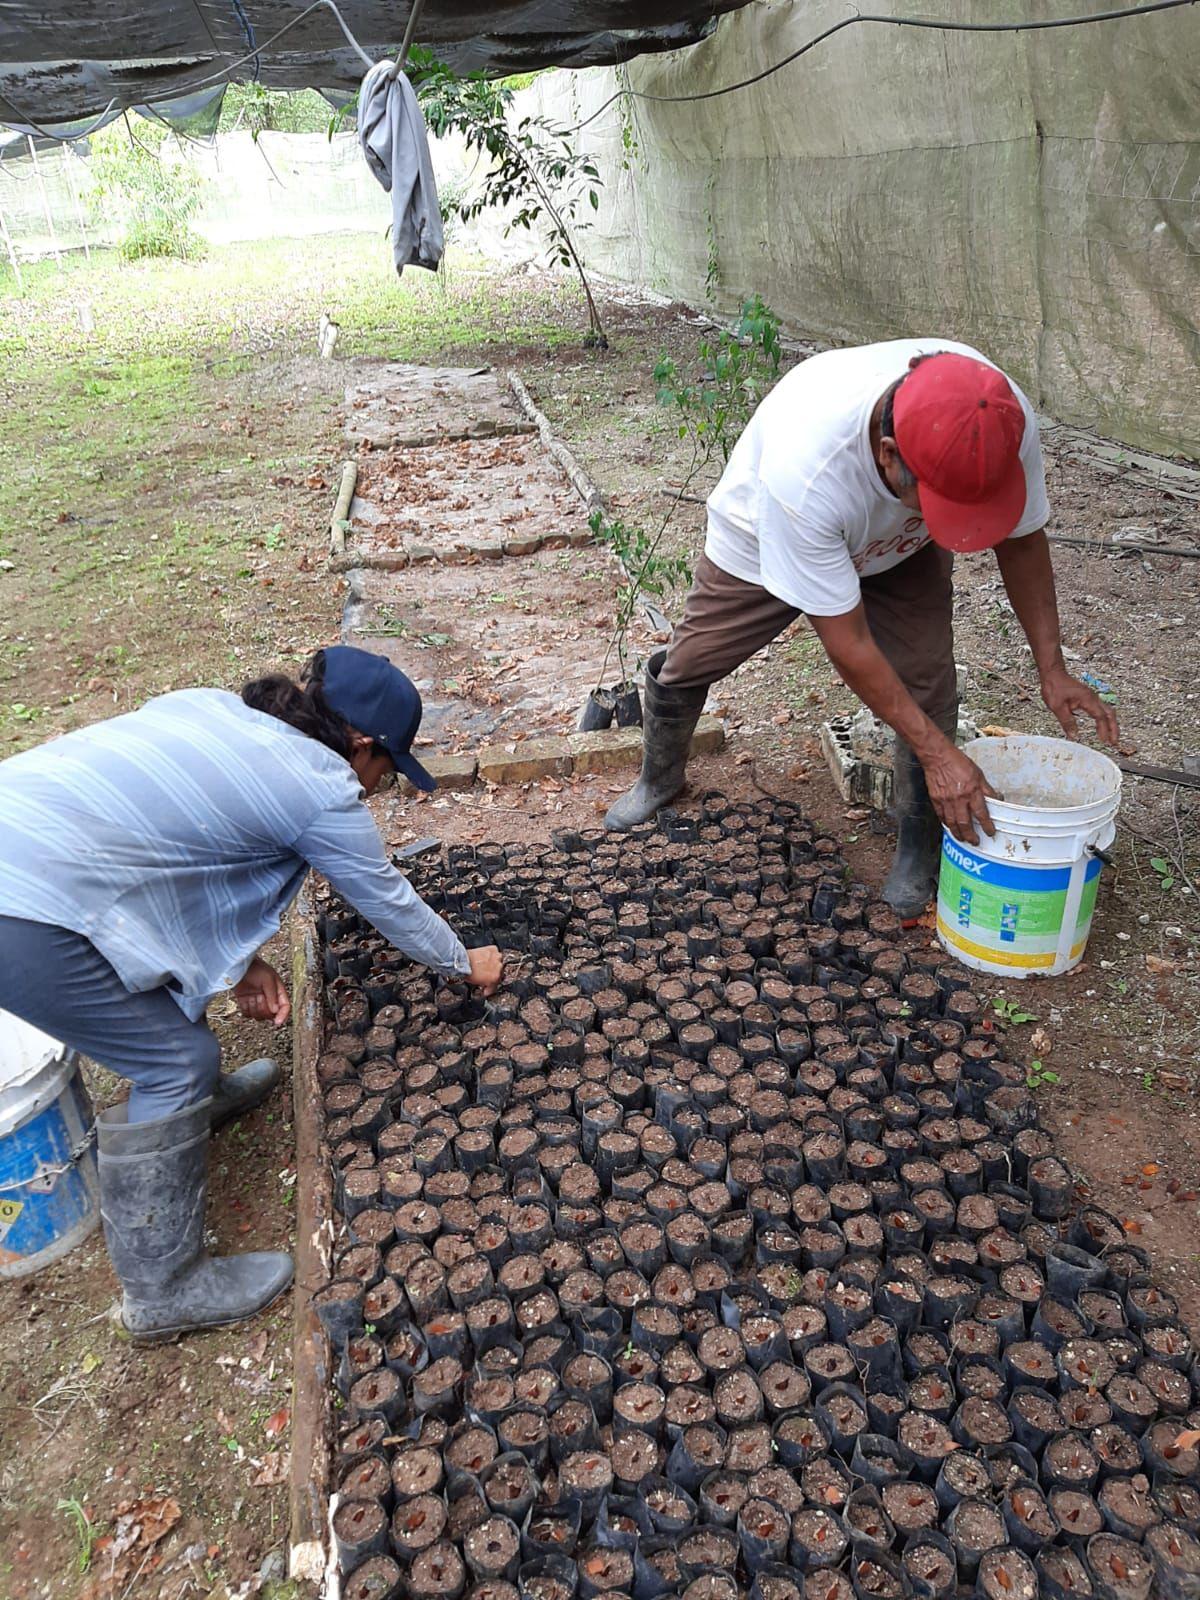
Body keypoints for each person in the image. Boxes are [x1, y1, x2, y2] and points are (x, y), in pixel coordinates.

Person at [0, 646, 502, 1341]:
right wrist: (464, 961)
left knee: (174, 1043)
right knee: (175, 1062)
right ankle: (163, 1290)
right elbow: (390, 902)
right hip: (21, 903)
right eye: (386, 770)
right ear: (361, 745)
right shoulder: (320, 789)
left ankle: (187, 1111)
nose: (378, 787)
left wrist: (239, 966)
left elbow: (175, 863)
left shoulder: (219, 709)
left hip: (29, 842)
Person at [606, 340, 1119, 916]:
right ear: (889, 454)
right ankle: (660, 778)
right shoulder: (807, 472)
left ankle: (918, 848)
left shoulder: (997, 417)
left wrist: (1052, 669)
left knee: (926, 677)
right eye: (941, 503)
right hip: (767, 536)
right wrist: (940, 755)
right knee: (693, 660)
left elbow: (1022, 541)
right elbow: (849, 643)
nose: (956, 526)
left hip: (897, 551)